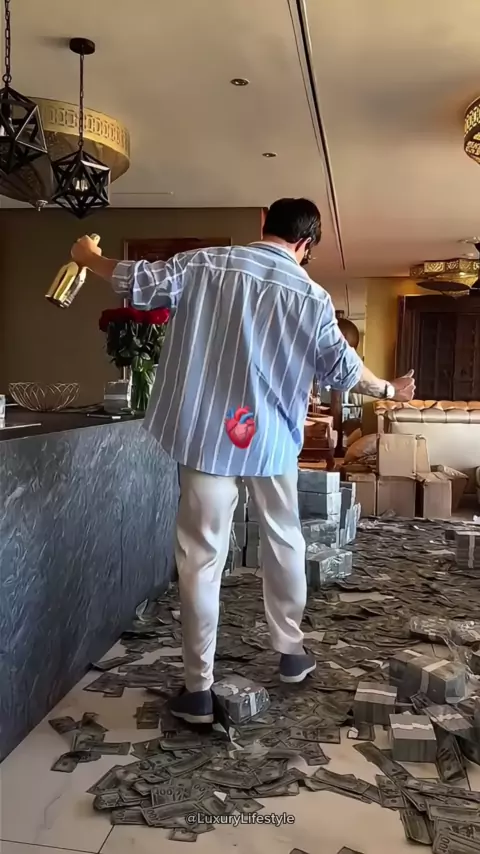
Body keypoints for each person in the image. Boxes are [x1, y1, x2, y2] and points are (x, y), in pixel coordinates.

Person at [71, 198, 415, 725]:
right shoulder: (312, 296)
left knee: (201, 557)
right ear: (306, 245)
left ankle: (197, 690)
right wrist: (392, 389)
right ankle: (291, 654)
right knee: (284, 538)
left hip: (208, 436)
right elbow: (346, 370)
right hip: (270, 441)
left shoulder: (205, 263)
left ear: (265, 226)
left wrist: (87, 256)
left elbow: (135, 280)